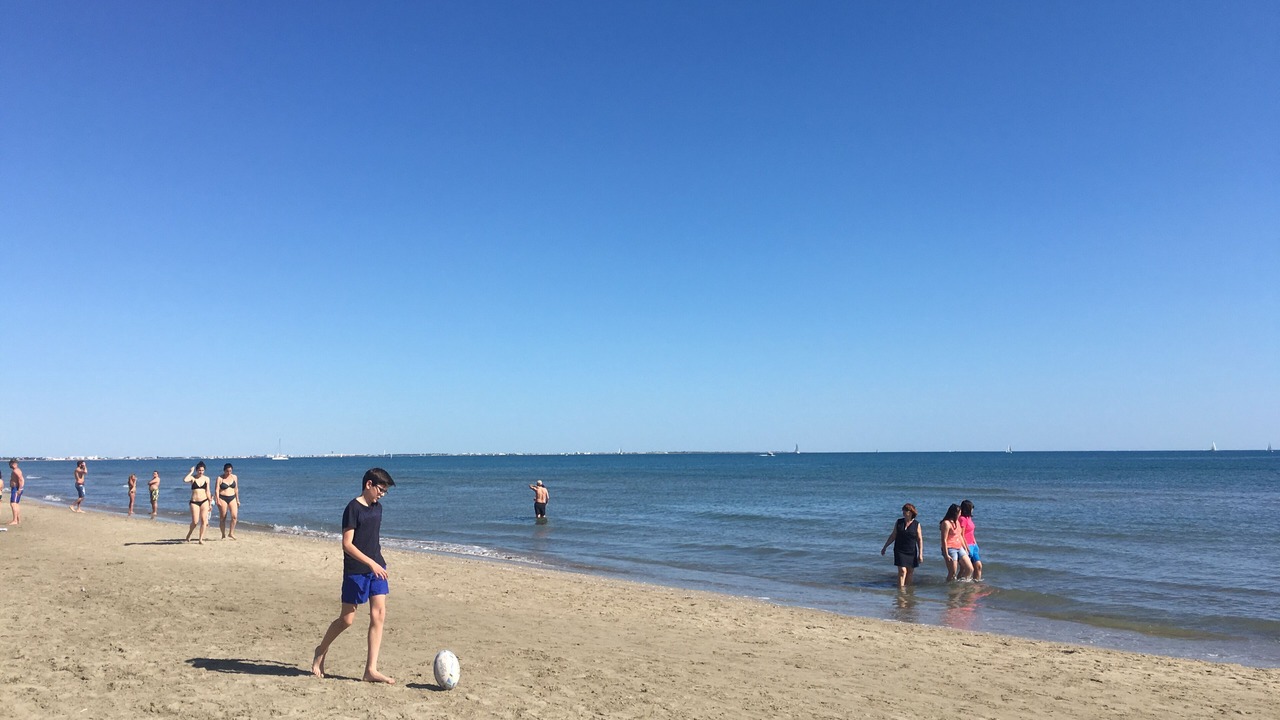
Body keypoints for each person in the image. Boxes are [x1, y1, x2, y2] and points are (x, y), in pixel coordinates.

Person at [312, 468, 397, 684]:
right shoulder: (353, 508)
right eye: (381, 489)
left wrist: (376, 563)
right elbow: (347, 544)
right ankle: (321, 650)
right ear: (369, 484)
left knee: (379, 615)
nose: (382, 495)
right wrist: (370, 563)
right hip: (356, 570)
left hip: (377, 568)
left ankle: (371, 670)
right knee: (347, 620)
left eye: (385, 492)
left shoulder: (378, 508)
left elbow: (371, 539)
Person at [880, 503, 924, 588]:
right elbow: (893, 535)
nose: (903, 512)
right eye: (903, 510)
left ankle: (908, 591)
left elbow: (919, 539)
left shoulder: (916, 524)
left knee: (910, 572)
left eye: (906, 510)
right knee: (902, 571)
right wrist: (885, 547)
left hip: (911, 551)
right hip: (899, 550)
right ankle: (901, 591)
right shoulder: (899, 522)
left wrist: (920, 554)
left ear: (911, 512)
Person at [940, 503, 975, 582]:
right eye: (959, 512)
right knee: (952, 572)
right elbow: (944, 540)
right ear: (955, 513)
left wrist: (966, 548)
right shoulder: (946, 523)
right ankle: (949, 586)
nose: (960, 514)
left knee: (970, 568)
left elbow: (960, 536)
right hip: (950, 548)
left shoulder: (957, 522)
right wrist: (946, 554)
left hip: (959, 547)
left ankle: (962, 584)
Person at [183, 462, 213, 544]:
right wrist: (191, 472)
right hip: (194, 502)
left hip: (204, 501)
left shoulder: (207, 479)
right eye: (199, 470)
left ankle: (200, 539)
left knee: (204, 520)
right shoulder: (193, 478)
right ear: (197, 470)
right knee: (195, 522)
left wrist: (210, 503)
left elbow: (208, 491)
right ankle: (189, 534)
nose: (201, 472)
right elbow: (185, 480)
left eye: (202, 470)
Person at [959, 499, 983, 582]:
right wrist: (966, 547)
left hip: (973, 545)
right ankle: (960, 583)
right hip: (966, 545)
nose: (973, 510)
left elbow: (971, 533)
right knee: (966, 569)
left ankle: (976, 583)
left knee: (978, 566)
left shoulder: (968, 518)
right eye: (972, 508)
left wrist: (975, 544)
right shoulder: (962, 519)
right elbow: (961, 534)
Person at [216, 462, 240, 539]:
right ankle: (223, 534)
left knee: (234, 516)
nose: (229, 473)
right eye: (227, 471)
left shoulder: (234, 477)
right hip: (222, 498)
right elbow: (217, 490)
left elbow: (236, 489)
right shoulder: (220, 478)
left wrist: (237, 499)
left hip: (232, 497)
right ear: (224, 470)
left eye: (230, 471)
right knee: (223, 517)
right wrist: (217, 500)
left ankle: (231, 533)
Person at [8, 459, 24, 525]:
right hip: (16, 488)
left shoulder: (16, 471)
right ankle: (18, 519)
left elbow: (21, 480)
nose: (9, 465)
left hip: (16, 489)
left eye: (10, 464)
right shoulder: (16, 470)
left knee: (13, 504)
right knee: (16, 504)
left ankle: (15, 520)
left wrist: (20, 489)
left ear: (13, 464)